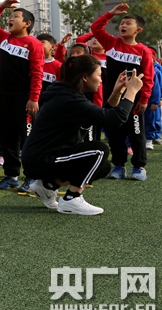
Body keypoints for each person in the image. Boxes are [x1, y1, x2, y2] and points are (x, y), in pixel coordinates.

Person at [22, 56, 144, 215]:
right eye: (98, 75)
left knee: (103, 166)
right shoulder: (70, 99)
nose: (101, 79)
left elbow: (103, 117)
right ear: (85, 77)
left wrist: (117, 92)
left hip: (44, 156)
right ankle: (71, 199)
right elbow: (115, 119)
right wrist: (132, 91)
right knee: (99, 150)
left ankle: (47, 185)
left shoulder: (69, 95)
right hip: (40, 159)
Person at [0, 0, 44, 189]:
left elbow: (37, 73)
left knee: (27, 139)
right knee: (6, 137)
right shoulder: (5, 39)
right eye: (10, 16)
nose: (10, 19)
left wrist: (33, 98)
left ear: (27, 23)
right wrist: (1, 7)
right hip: (2, 97)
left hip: (23, 98)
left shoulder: (34, 44)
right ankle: (11, 175)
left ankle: (32, 177)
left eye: (15, 16)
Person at [91, 4, 154, 181]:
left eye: (128, 23)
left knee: (136, 134)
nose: (123, 25)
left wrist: (144, 99)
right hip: (112, 99)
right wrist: (111, 13)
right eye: (121, 23)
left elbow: (148, 78)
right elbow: (95, 27)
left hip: (134, 102)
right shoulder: (111, 43)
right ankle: (119, 166)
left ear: (138, 30)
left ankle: (139, 167)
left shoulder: (143, 51)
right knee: (114, 134)